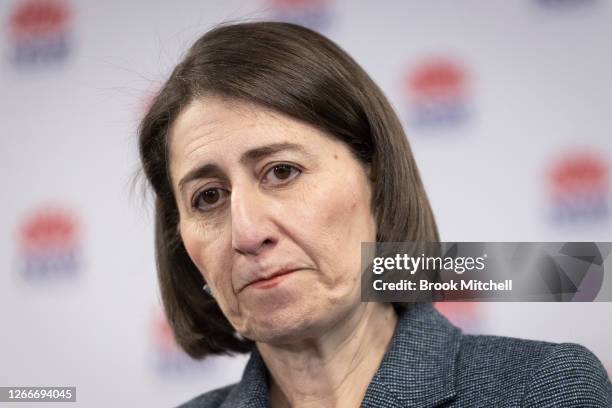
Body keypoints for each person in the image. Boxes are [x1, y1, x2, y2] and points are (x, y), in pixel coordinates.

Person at [138, 21, 611, 408]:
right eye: (208, 197)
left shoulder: (543, 390)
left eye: (282, 171)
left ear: (376, 179)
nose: (247, 231)